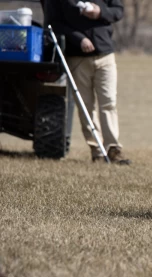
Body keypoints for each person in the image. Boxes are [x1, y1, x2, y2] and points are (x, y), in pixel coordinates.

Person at [44, 0, 131, 165]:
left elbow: (118, 11)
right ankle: (97, 150)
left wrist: (99, 12)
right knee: (86, 106)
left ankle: (113, 148)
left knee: (109, 102)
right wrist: (79, 39)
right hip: (77, 58)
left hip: (105, 54)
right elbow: (53, 23)